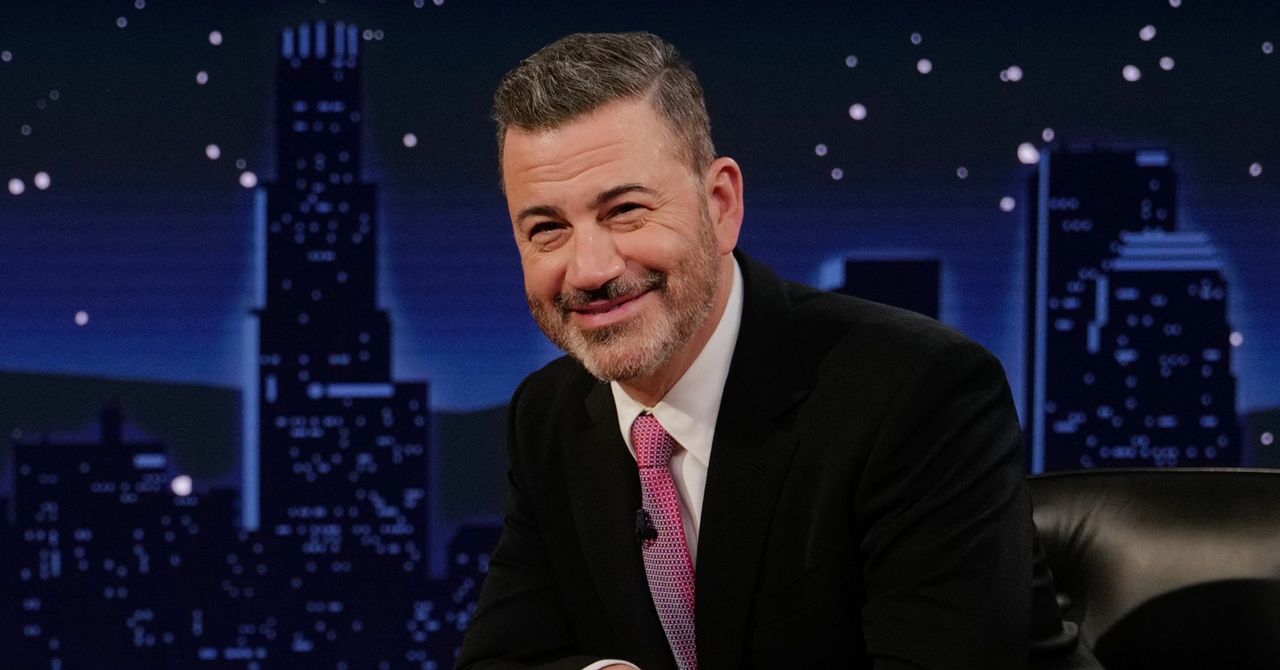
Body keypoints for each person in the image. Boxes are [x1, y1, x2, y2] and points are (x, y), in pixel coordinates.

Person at [457, 31, 1081, 670]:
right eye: (547, 228)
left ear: (721, 205)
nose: (590, 269)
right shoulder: (549, 416)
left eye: (625, 211)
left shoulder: (919, 393)